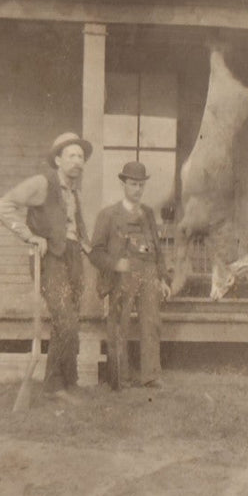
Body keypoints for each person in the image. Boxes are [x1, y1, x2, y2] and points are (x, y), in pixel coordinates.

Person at [0, 131, 93, 402]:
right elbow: (2, 207)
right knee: (66, 320)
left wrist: (86, 245)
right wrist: (30, 236)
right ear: (58, 160)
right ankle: (56, 385)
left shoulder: (75, 192)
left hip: (72, 257)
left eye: (81, 157)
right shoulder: (41, 184)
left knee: (69, 321)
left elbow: (74, 228)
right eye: (71, 155)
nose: (77, 161)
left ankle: (65, 383)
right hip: (50, 259)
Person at [89, 160, 171, 389]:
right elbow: (96, 253)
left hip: (148, 273)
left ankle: (151, 375)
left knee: (151, 322)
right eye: (133, 184)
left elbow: (156, 248)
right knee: (119, 324)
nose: (137, 189)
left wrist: (162, 278)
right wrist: (117, 264)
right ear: (123, 184)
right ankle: (119, 377)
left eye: (141, 185)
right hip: (121, 276)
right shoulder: (108, 215)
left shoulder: (148, 214)